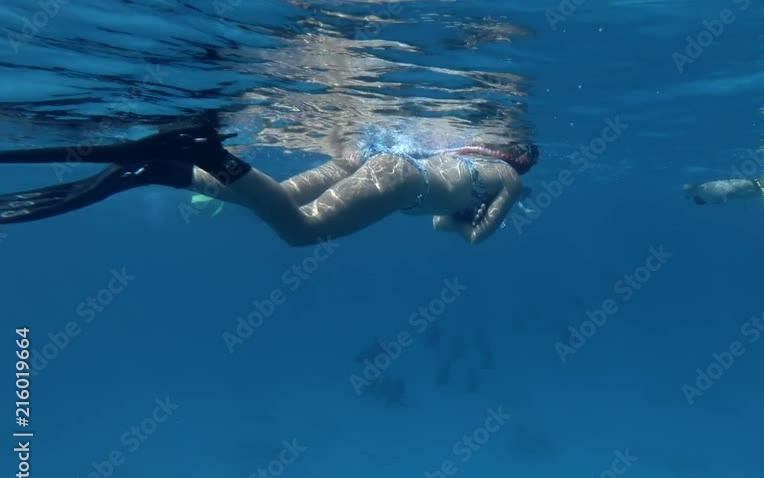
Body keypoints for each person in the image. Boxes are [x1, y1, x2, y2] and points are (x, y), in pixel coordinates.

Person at [0, 121, 539, 245]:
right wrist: (474, 214)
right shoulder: (507, 180)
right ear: (520, 163)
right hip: (399, 179)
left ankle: (170, 171)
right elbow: (472, 235)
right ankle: (211, 154)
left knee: (262, 200)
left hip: (382, 163)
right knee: (300, 231)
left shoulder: (468, 153)